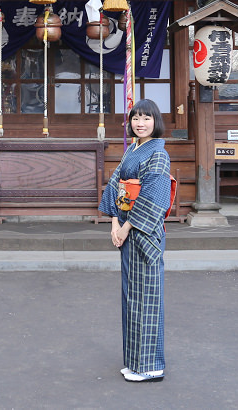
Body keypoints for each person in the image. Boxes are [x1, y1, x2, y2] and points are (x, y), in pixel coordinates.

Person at [98, 98, 171, 383]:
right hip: (126, 227)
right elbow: (115, 184)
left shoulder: (158, 154)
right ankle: (135, 361)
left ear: (156, 121)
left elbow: (153, 196)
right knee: (132, 296)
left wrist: (127, 226)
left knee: (147, 298)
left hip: (144, 232)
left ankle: (151, 366)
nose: (140, 123)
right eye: (136, 118)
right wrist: (114, 223)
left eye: (146, 118)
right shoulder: (134, 150)